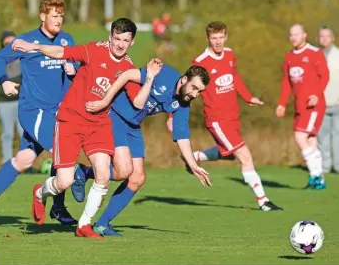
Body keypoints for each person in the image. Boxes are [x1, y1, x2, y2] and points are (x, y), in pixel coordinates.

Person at [12, 18, 155, 239]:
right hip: (70, 121)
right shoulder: (93, 51)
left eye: (125, 40)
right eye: (116, 39)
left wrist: (149, 79)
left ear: (132, 42)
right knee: (64, 182)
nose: (120, 44)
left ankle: (84, 225)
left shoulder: (128, 68)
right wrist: (34, 47)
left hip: (99, 125)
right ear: (110, 37)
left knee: (102, 175)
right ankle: (40, 193)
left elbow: (138, 103)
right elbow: (62, 53)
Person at [71, 64, 212, 236]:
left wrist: (194, 165)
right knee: (123, 170)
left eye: (200, 91)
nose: (195, 94)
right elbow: (127, 74)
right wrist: (105, 100)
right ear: (183, 80)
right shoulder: (163, 74)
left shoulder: (183, 103)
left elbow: (182, 135)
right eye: (194, 88)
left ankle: (102, 223)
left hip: (133, 125)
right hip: (114, 116)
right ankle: (84, 173)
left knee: (137, 178)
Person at [0, 0, 82, 225]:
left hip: (57, 113)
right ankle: (60, 205)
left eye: (61, 15)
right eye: (54, 15)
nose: (59, 20)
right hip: (34, 111)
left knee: (23, 160)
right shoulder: (26, 40)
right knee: (62, 152)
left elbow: (78, 68)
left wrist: (75, 71)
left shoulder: (67, 40)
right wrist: (4, 80)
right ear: (42, 16)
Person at [177, 21, 282, 211]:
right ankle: (263, 201)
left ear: (226, 37)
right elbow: (186, 88)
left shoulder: (230, 54)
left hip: (233, 116)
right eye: (214, 38)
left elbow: (234, 77)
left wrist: (248, 97)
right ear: (207, 38)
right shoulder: (200, 62)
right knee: (245, 156)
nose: (218, 42)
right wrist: (172, 115)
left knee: (231, 155)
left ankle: (193, 156)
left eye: (221, 37)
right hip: (217, 119)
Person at [276, 24, 329, 189]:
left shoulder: (315, 53)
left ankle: (315, 174)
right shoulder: (289, 57)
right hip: (299, 107)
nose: (293, 38)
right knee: (311, 140)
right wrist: (282, 103)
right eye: (291, 35)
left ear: (304, 35)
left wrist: (316, 94)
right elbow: (286, 83)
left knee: (300, 137)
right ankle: (318, 181)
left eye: (296, 34)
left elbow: (325, 76)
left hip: (314, 105)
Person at [0, 30, 24, 163]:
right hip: (4, 103)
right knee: (7, 134)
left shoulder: (22, 58)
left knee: (24, 134)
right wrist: (4, 89)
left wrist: (17, 88)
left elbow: (28, 78)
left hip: (21, 102)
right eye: (7, 42)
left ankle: (24, 163)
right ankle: (7, 163)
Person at [317, 25, 339, 174]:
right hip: (320, 103)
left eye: (327, 36)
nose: (324, 39)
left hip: (337, 102)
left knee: (337, 136)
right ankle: (325, 166)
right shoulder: (315, 56)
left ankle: (337, 166)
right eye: (321, 36)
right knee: (321, 137)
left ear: (333, 38)